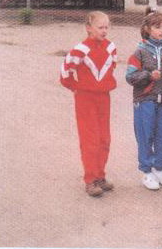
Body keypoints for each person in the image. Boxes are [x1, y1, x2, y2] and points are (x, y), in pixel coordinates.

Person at [60, 11, 117, 197]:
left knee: (104, 138)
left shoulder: (111, 48)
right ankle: (90, 179)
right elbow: (66, 70)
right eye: (100, 27)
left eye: (106, 27)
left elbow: (111, 68)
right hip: (85, 99)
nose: (104, 31)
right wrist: (75, 87)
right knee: (90, 139)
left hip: (104, 98)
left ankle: (100, 175)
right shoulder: (80, 49)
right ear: (88, 28)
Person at [126, 12, 162, 190]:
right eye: (157, 27)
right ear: (147, 29)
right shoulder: (140, 51)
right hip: (145, 99)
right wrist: (148, 75)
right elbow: (130, 76)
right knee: (145, 135)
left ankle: (161, 169)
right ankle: (147, 172)